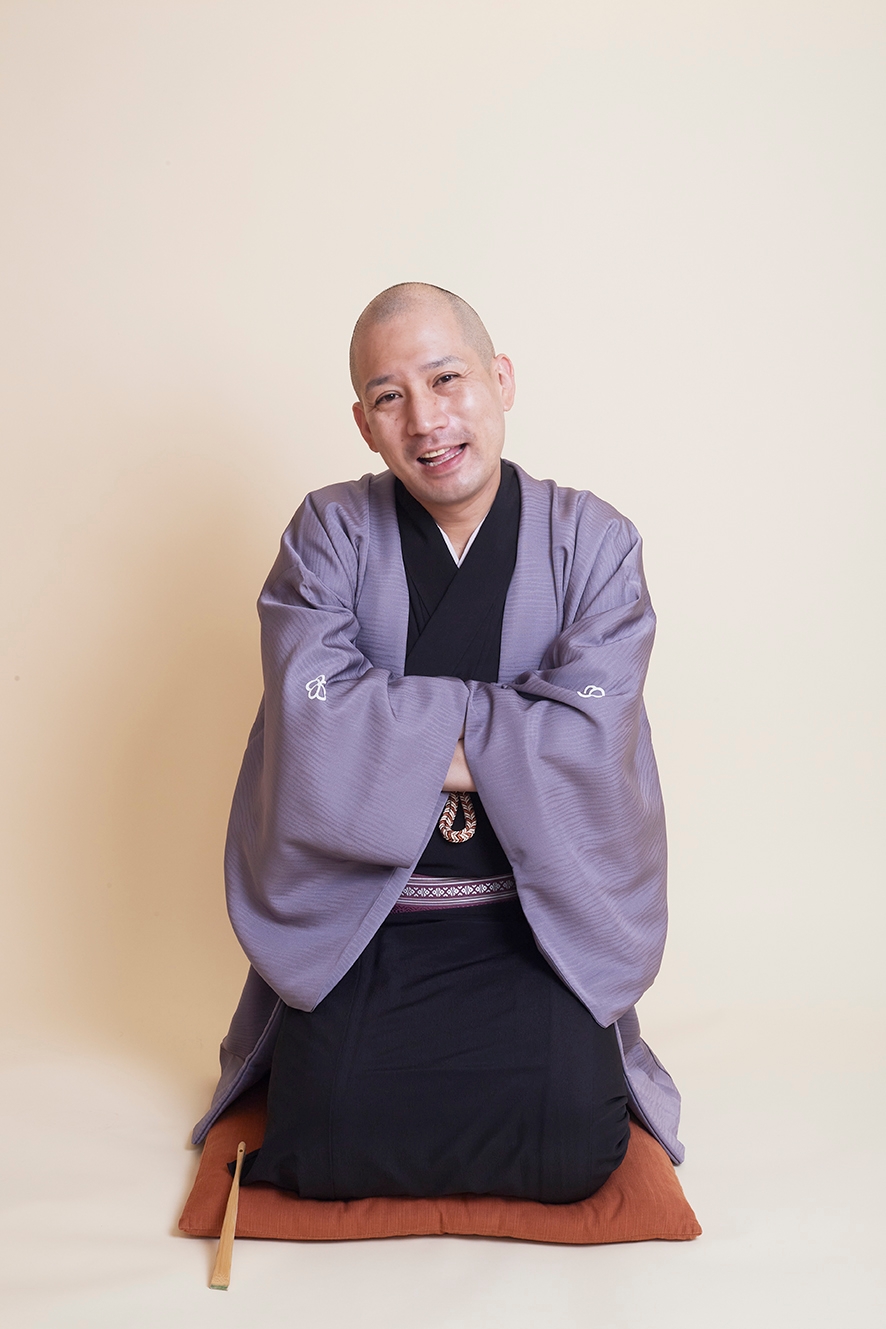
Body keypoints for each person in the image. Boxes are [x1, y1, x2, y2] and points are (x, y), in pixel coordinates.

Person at [193, 283, 683, 1202]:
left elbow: (591, 741)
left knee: (575, 1139)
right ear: (364, 423)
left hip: (536, 918)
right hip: (364, 915)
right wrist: (517, 725)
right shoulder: (329, 533)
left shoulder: (595, 541)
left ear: (501, 380)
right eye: (390, 396)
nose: (425, 419)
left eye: (447, 378)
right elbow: (313, 728)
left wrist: (391, 726)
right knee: (320, 1130)